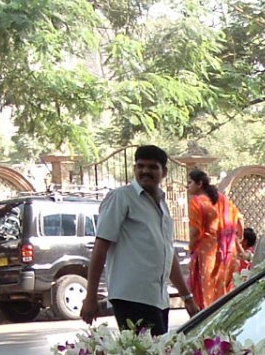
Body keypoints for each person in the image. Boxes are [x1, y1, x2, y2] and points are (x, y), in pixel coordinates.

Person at [80, 144, 197, 335]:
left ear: (164, 172)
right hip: (132, 296)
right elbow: (101, 247)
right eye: (141, 166)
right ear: (134, 169)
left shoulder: (162, 204)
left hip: (158, 298)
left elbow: (168, 254)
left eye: (152, 167)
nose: (145, 171)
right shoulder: (121, 198)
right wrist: (90, 296)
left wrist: (187, 297)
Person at [187, 168, 244, 310]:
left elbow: (194, 233)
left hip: (208, 254)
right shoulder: (222, 199)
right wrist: (238, 240)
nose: (187, 186)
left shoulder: (197, 202)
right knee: (226, 292)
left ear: (199, 184)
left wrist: (191, 247)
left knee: (207, 294)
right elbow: (239, 220)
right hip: (229, 254)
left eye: (189, 183)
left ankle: (210, 327)